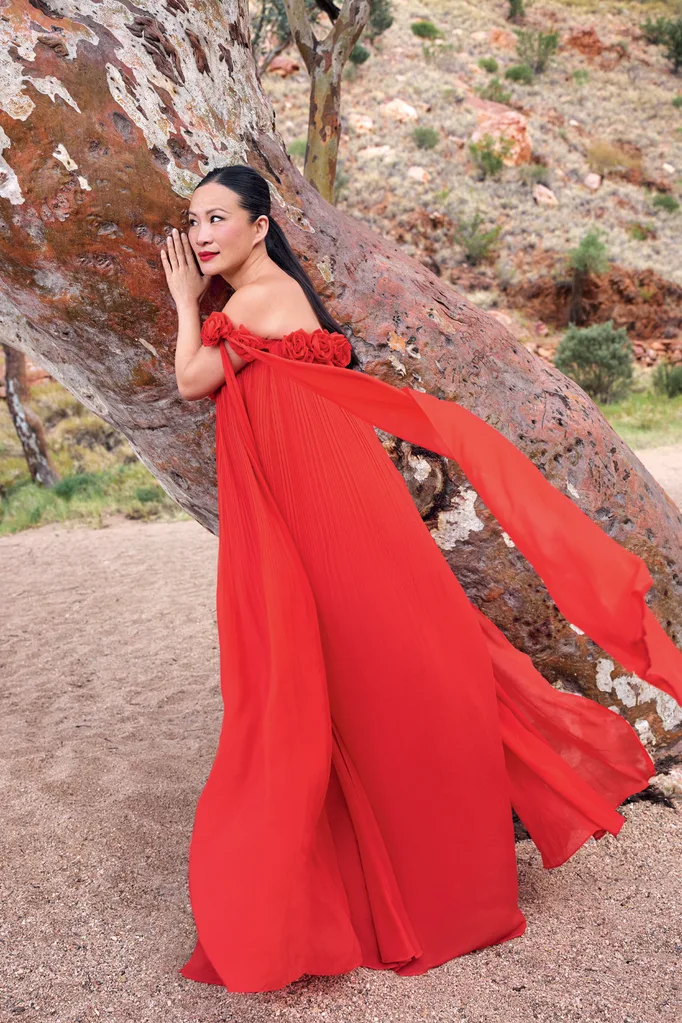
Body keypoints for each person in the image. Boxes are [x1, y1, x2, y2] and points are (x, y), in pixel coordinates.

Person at [161, 164, 682, 994]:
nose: (202, 236)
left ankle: (417, 888)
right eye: (194, 222)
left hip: (334, 515)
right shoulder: (262, 298)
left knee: (357, 680)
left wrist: (187, 305)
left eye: (218, 218)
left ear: (262, 226)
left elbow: (192, 381)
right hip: (335, 507)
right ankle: (404, 882)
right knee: (370, 680)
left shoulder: (254, 300)